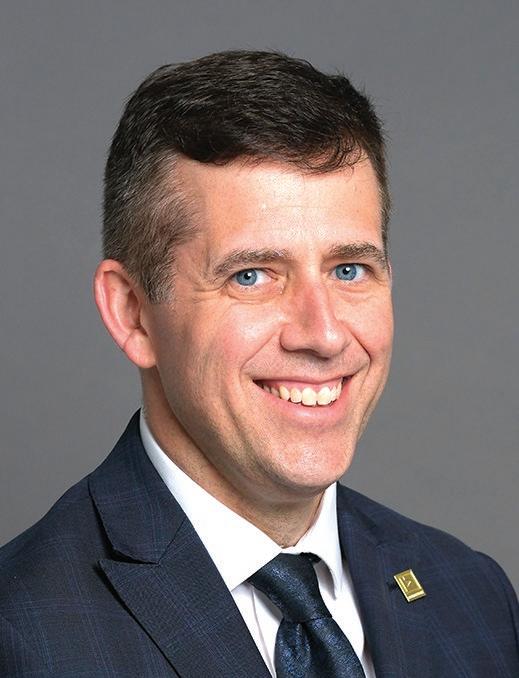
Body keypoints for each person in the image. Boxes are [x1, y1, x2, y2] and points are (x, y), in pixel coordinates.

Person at [0, 50, 517, 678]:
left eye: (349, 269)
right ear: (133, 313)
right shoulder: (21, 635)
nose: (324, 334)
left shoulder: (475, 599)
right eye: (252, 275)